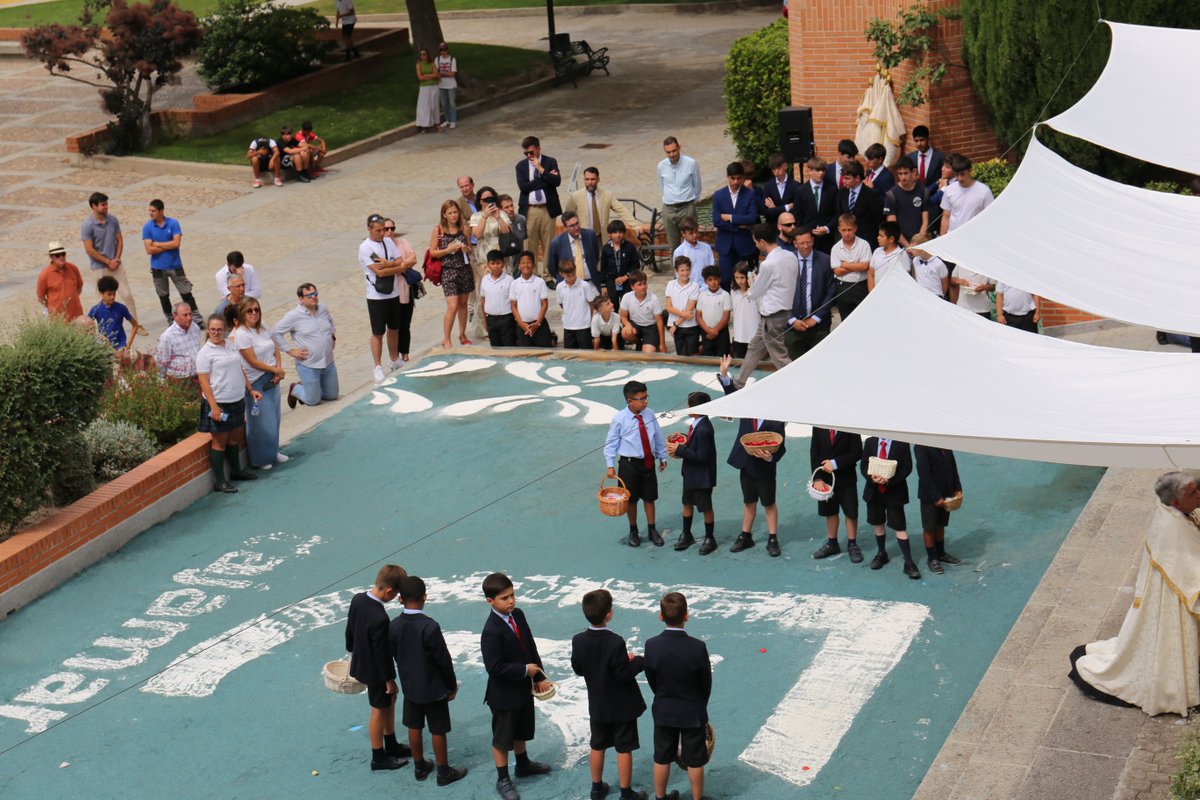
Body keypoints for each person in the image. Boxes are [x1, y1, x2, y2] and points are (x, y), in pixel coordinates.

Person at [1069, 472, 1200, 716]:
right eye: (1193, 493)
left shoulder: (1171, 510)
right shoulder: (1173, 529)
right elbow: (1192, 574)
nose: (1199, 494)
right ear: (1176, 503)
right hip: (1175, 595)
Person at [571, 589, 650, 800]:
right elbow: (623, 674)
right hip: (621, 707)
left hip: (597, 705)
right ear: (608, 614)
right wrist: (638, 662)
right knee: (624, 748)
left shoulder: (578, 640)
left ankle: (596, 787)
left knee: (597, 745)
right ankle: (626, 792)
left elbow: (578, 668)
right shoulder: (615, 642)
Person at [389, 575, 468, 786]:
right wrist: (451, 685)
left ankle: (419, 766)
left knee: (414, 726)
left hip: (410, 687)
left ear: (399, 599)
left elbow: (393, 653)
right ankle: (443, 772)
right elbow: (443, 660)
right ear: (425, 597)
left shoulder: (394, 625)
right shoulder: (429, 627)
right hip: (433, 688)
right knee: (438, 729)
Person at [480, 572, 553, 800]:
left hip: (522, 690)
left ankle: (523, 764)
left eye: (512, 595)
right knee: (502, 739)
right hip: (503, 695)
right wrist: (524, 671)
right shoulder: (490, 631)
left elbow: (529, 645)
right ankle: (503, 779)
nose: (511, 601)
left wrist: (539, 676)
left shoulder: (518, 615)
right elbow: (494, 667)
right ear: (490, 601)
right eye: (504, 598)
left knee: (521, 729)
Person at [644, 592, 712, 800]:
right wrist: (701, 705)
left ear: (660, 616)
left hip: (664, 708)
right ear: (687, 616)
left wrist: (663, 695)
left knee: (662, 757)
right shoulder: (698, 647)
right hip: (692, 710)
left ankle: (660, 796)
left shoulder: (651, 645)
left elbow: (651, 677)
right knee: (695, 760)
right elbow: (705, 683)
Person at [718, 354, 786, 557]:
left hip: (765, 467)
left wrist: (769, 458)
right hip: (746, 463)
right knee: (749, 501)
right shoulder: (746, 409)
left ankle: (773, 538)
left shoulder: (776, 420)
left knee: (769, 503)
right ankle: (745, 535)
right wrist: (724, 375)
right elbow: (731, 395)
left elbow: (780, 447)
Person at [345, 564, 411, 771]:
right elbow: (382, 654)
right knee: (378, 710)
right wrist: (389, 680)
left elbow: (350, 629)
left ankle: (390, 743)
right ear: (389, 591)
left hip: (362, 663)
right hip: (376, 672)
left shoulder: (357, 599)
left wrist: (351, 652)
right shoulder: (380, 618)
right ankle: (378, 756)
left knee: (388, 701)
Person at [196, 314, 261, 494]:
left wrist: (250, 389)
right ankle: (220, 482)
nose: (216, 332)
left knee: (235, 437)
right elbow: (204, 383)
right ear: (208, 331)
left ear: (225, 330)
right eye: (213, 329)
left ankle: (236, 472)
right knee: (220, 441)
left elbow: (240, 369)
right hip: (219, 403)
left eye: (219, 329)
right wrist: (214, 407)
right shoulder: (204, 353)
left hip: (236, 400)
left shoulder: (231, 345)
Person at [730, 223, 796, 388]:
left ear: (762, 242)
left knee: (779, 357)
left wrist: (753, 283)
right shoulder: (790, 256)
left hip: (772, 315)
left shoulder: (768, 264)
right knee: (754, 347)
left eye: (755, 242)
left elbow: (753, 293)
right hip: (781, 311)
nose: (755, 245)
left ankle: (798, 386)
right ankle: (739, 383)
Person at [604, 380, 668, 547]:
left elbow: (658, 436)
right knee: (630, 500)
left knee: (650, 497)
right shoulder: (619, 419)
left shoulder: (650, 414)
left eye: (646, 397)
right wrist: (610, 465)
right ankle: (633, 530)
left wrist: (662, 456)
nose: (645, 401)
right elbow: (610, 443)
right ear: (630, 401)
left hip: (647, 462)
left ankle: (652, 529)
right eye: (641, 398)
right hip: (628, 464)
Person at [232, 297, 286, 470]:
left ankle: (273, 451)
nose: (254, 313)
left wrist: (278, 367)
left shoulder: (263, 328)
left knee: (274, 418)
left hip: (272, 377)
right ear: (242, 313)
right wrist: (275, 370)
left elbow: (275, 348)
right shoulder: (240, 334)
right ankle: (261, 459)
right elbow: (252, 361)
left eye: (256, 309)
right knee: (261, 423)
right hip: (256, 382)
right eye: (250, 310)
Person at [81, 191, 142, 330]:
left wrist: (117, 259)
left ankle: (136, 325)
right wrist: (108, 262)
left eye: (106, 204)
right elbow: (89, 249)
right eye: (103, 204)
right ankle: (102, 327)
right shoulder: (87, 225)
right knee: (101, 298)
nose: (106, 207)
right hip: (99, 267)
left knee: (127, 294)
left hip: (116, 265)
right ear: (94, 206)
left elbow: (119, 240)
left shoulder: (113, 220)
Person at [861, 435, 918, 579]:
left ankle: (909, 562)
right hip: (874, 492)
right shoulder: (870, 442)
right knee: (878, 524)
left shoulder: (902, 443)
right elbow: (864, 465)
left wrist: (889, 481)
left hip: (894, 492)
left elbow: (907, 467)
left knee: (900, 527)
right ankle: (881, 553)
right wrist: (872, 479)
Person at [360, 213, 408, 383]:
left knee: (394, 328)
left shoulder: (388, 242)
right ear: (369, 229)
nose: (382, 233)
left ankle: (394, 359)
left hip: (393, 292)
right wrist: (395, 267)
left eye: (383, 230)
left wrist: (390, 264)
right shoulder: (366, 248)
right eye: (378, 230)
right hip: (376, 296)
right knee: (378, 332)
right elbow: (379, 271)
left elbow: (401, 260)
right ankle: (377, 366)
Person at [274, 283, 338, 409]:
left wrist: (333, 337)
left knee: (331, 396)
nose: (313, 297)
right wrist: (290, 350)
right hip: (309, 365)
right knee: (313, 400)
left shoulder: (323, 309)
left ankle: (312, 387)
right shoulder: (294, 316)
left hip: (328, 362)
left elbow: (331, 321)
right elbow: (276, 332)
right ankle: (296, 389)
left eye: (315, 294)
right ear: (301, 299)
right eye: (309, 295)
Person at [669, 391, 717, 554]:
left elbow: (701, 456)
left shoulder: (704, 429)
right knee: (687, 503)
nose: (686, 407)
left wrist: (680, 449)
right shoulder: (697, 425)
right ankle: (686, 533)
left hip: (702, 476)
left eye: (689, 405)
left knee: (705, 507)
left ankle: (710, 538)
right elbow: (695, 446)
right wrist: (683, 438)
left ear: (696, 408)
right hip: (691, 474)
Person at [810, 427, 864, 562]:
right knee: (830, 512)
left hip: (847, 479)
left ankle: (852, 544)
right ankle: (832, 543)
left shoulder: (850, 425)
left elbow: (857, 452)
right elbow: (814, 452)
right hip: (825, 480)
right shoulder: (818, 426)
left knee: (851, 512)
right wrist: (817, 478)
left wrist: (835, 463)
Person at [784, 227, 835, 360]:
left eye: (808, 242)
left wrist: (816, 318)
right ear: (795, 243)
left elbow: (831, 291)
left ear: (813, 240)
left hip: (819, 325)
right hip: (793, 326)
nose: (806, 246)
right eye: (802, 243)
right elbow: (779, 293)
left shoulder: (825, 260)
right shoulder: (786, 261)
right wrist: (792, 319)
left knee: (820, 363)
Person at [143, 199, 197, 323]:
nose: (151, 213)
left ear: (161, 211)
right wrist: (168, 245)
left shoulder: (173, 223)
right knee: (163, 296)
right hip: (158, 268)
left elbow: (176, 243)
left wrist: (158, 244)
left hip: (175, 266)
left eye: (153, 211)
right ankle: (171, 320)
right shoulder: (147, 227)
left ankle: (196, 318)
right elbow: (149, 249)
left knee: (186, 293)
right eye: (150, 211)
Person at [515, 136, 562, 280]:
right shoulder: (521, 166)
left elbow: (556, 181)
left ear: (538, 149)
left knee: (548, 243)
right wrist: (544, 179)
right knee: (530, 244)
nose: (529, 156)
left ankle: (547, 275)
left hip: (547, 209)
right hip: (530, 210)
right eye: (526, 154)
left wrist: (541, 169)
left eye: (531, 153)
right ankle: (533, 274)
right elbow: (523, 187)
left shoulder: (550, 162)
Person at [914, 445, 964, 575]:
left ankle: (941, 554)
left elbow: (953, 466)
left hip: (946, 493)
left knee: (941, 524)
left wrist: (957, 487)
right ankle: (932, 558)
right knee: (929, 527)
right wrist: (936, 497)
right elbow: (924, 473)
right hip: (930, 497)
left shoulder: (945, 442)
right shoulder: (921, 446)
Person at [431, 200, 473, 348]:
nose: (453, 215)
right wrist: (448, 250)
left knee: (463, 303)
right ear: (444, 214)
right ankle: (447, 338)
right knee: (452, 305)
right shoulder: (439, 230)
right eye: (450, 213)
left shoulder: (465, 229)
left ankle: (462, 334)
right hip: (448, 270)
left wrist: (465, 248)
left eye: (455, 212)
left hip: (464, 269)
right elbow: (433, 252)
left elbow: (470, 249)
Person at [711, 162, 758, 289]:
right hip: (725, 244)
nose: (736, 181)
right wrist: (739, 226)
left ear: (743, 178)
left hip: (743, 245)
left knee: (743, 281)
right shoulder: (719, 195)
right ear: (727, 177)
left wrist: (730, 217)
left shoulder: (750, 194)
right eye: (733, 178)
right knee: (725, 279)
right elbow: (716, 220)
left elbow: (752, 217)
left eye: (739, 178)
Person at [563, 166, 639, 237]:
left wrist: (636, 226)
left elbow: (622, 211)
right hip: (583, 238)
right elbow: (567, 217)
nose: (589, 182)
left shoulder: (607, 195)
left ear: (598, 179)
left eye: (592, 179)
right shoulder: (575, 196)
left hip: (602, 237)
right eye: (587, 179)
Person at [658, 136, 702, 256]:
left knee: (692, 241)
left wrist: (692, 201)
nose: (671, 154)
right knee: (673, 246)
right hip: (669, 209)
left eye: (674, 151)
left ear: (679, 147)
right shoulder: (661, 166)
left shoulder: (691, 163)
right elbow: (662, 186)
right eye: (668, 152)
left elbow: (697, 185)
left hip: (687, 207)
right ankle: (677, 273)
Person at [383, 218, 419, 362]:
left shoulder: (402, 242)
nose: (390, 231)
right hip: (391, 291)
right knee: (393, 326)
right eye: (386, 229)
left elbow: (414, 258)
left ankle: (405, 353)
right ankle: (394, 356)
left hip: (405, 289)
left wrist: (399, 265)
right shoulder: (381, 247)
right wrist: (402, 265)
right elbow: (384, 269)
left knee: (405, 324)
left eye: (392, 228)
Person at [939, 154, 993, 236]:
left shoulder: (984, 191)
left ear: (970, 171)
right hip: (952, 236)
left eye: (962, 174)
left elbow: (989, 217)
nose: (960, 178)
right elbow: (946, 216)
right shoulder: (949, 189)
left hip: (974, 236)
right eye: (957, 175)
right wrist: (942, 237)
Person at [829, 213, 871, 318]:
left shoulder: (864, 244)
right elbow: (837, 271)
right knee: (846, 318)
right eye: (844, 230)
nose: (847, 233)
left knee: (863, 318)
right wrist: (856, 265)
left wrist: (845, 264)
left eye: (849, 229)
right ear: (839, 229)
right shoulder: (836, 248)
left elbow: (865, 267)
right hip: (843, 287)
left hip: (861, 286)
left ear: (855, 228)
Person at [836, 162, 884, 250]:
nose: (844, 181)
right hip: (846, 242)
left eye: (847, 178)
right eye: (843, 178)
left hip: (866, 242)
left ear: (857, 178)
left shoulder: (871, 195)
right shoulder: (842, 193)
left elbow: (877, 219)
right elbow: (839, 215)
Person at [546, 210, 600, 288]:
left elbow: (596, 256)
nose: (576, 227)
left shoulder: (590, 235)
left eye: (577, 223)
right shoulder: (557, 243)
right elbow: (552, 267)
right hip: (569, 285)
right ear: (565, 228)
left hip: (590, 283)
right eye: (572, 226)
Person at [883, 160, 930, 247]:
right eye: (900, 174)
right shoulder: (891, 195)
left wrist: (918, 242)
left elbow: (925, 220)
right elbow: (893, 226)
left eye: (906, 173)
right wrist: (908, 246)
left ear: (913, 172)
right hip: (900, 245)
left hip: (920, 243)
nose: (903, 177)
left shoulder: (923, 191)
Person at [510, 251, 551, 347]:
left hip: (539, 325)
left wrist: (537, 323)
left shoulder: (539, 282)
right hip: (522, 327)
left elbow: (544, 304)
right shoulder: (514, 284)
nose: (526, 265)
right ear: (519, 266)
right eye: (523, 263)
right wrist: (521, 323)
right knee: (525, 356)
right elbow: (513, 305)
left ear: (533, 265)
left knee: (544, 353)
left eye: (528, 262)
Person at [797, 156, 838, 253]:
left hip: (827, 239)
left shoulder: (832, 190)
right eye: (818, 170)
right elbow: (798, 216)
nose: (821, 173)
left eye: (823, 170)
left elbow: (837, 213)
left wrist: (827, 228)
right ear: (809, 171)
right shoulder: (801, 191)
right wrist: (807, 232)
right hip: (808, 239)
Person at [88, 275, 139, 352]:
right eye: (109, 294)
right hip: (104, 349)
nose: (112, 297)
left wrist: (128, 345)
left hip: (120, 347)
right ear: (101, 293)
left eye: (114, 294)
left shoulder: (121, 308)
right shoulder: (95, 310)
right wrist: (99, 343)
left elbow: (135, 325)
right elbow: (86, 330)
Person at [618, 271, 665, 354]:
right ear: (632, 286)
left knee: (647, 355)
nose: (643, 287)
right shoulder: (627, 297)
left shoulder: (654, 299)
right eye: (639, 284)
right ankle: (639, 342)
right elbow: (623, 316)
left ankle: (651, 344)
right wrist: (628, 325)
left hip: (650, 327)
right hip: (635, 325)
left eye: (644, 283)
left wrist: (662, 343)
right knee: (625, 332)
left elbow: (660, 322)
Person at [36, 241, 84, 321]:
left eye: (63, 254)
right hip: (58, 319)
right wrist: (52, 307)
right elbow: (40, 297)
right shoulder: (44, 275)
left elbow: (79, 288)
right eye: (58, 255)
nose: (61, 257)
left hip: (76, 314)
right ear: (51, 257)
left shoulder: (73, 268)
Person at [557, 261, 599, 349]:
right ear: (562, 274)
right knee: (570, 354)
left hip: (584, 326)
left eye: (573, 274)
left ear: (575, 270)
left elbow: (591, 304)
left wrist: (589, 320)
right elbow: (561, 304)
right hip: (568, 325)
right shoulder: (560, 287)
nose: (571, 277)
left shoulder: (585, 285)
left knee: (586, 353)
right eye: (568, 275)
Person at [156, 302, 202, 379]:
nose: (189, 318)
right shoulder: (167, 337)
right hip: (179, 380)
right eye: (185, 315)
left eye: (190, 314)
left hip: (197, 376)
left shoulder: (195, 328)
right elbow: (162, 363)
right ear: (175, 316)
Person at [664, 257, 700, 356]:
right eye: (682, 270)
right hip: (677, 328)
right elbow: (668, 307)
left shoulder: (695, 285)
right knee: (681, 356)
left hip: (691, 326)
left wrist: (676, 324)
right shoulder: (670, 284)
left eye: (687, 270)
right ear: (676, 271)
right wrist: (681, 317)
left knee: (693, 355)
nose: (685, 273)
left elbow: (690, 308)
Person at [695, 265, 731, 357]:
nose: (713, 282)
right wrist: (708, 330)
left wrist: (715, 331)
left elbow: (726, 317)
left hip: (721, 333)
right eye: (710, 280)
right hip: (706, 333)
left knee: (722, 358)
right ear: (705, 281)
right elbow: (698, 316)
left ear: (720, 279)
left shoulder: (725, 295)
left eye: (715, 279)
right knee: (708, 359)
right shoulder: (702, 295)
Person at [481, 251, 516, 347]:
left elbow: (514, 302)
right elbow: (483, 300)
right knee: (495, 346)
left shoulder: (510, 280)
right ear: (488, 265)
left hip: (507, 319)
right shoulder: (485, 280)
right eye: (492, 263)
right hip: (491, 319)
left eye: (498, 263)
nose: (496, 266)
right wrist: (485, 320)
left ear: (503, 264)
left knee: (509, 346)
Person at [601, 219, 641, 301]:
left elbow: (636, 264)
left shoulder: (629, 247)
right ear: (610, 234)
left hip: (627, 282)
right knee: (613, 307)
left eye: (620, 232)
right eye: (615, 232)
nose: (618, 235)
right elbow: (603, 268)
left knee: (627, 306)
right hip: (612, 283)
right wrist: (603, 286)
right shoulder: (606, 249)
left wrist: (626, 277)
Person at [866, 221, 912, 292]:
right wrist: (871, 294)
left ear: (891, 239)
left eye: (881, 236)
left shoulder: (902, 255)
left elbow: (905, 281)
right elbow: (871, 275)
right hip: (877, 296)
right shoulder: (877, 251)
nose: (878, 238)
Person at [760, 152, 799, 227]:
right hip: (773, 226)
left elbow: (796, 211)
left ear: (785, 166)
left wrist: (774, 209)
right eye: (773, 169)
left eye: (778, 168)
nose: (776, 172)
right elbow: (765, 211)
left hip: (790, 227)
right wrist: (786, 207)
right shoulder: (767, 186)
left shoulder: (796, 186)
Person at [673, 217, 714, 287]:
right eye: (691, 233)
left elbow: (712, 269)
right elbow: (679, 274)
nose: (695, 235)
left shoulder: (706, 247)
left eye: (696, 232)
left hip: (706, 287)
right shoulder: (679, 251)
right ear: (683, 233)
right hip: (688, 288)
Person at [907, 234, 949, 298]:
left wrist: (941, 297)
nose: (910, 250)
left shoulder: (938, 264)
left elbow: (945, 284)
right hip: (921, 296)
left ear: (923, 249)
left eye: (913, 248)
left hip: (936, 296)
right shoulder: (915, 260)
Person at [729, 263, 757, 359]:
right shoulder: (733, 290)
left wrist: (753, 286)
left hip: (753, 334)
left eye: (742, 277)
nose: (739, 281)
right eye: (736, 278)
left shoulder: (756, 291)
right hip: (739, 335)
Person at [907, 125, 944, 195]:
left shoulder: (940, 157)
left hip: (933, 197)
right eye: (916, 141)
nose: (919, 144)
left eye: (922, 140)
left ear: (928, 139)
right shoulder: (910, 157)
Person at [498, 194, 526, 275]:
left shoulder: (521, 219)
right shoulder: (497, 224)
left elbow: (523, 240)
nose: (511, 209)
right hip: (505, 268)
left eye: (511, 205)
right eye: (506, 207)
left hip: (519, 268)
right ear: (500, 210)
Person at [415, 48, 441, 132]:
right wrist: (431, 75)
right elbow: (420, 77)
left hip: (433, 86)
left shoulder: (432, 64)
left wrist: (426, 76)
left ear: (428, 55)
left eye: (424, 54)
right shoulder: (419, 65)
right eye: (421, 54)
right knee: (424, 106)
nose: (423, 56)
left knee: (434, 105)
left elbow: (436, 74)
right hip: (424, 88)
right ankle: (424, 126)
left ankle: (436, 123)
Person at [435, 43, 458, 129]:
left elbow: (452, 73)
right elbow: (435, 72)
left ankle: (453, 121)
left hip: (451, 84)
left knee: (452, 103)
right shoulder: (437, 59)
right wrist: (441, 74)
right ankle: (447, 120)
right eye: (441, 50)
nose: (443, 51)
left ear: (447, 50)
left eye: (444, 49)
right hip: (441, 85)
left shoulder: (452, 59)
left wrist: (441, 74)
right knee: (444, 104)